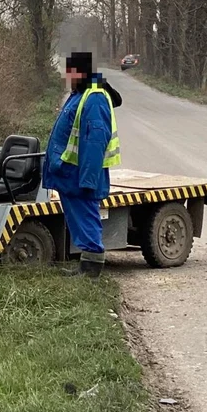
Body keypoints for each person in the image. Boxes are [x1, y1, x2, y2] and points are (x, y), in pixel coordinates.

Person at [43, 51, 121, 278]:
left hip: (80, 176)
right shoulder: (81, 93)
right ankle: (86, 266)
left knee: (87, 220)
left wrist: (88, 179)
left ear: (81, 72)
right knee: (79, 220)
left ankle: (92, 270)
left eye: (70, 71)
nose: (67, 76)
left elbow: (95, 142)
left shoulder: (94, 98)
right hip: (71, 174)